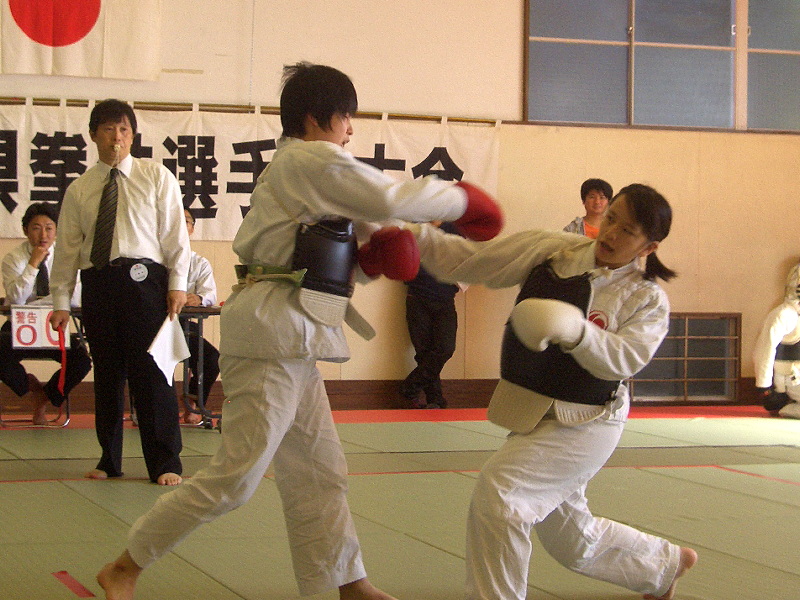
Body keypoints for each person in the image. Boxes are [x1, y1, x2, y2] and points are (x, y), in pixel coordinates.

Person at [93, 62, 503, 600]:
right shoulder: (308, 158)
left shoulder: (307, 175)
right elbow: (389, 199)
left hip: (294, 337)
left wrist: (369, 256)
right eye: (345, 118)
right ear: (314, 120)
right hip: (271, 337)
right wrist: (463, 200)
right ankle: (126, 565)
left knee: (320, 471)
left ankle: (347, 583)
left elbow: (342, 242)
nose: (350, 130)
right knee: (236, 478)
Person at [401, 184, 696, 600]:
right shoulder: (553, 250)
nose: (611, 233)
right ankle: (661, 565)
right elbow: (472, 262)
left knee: (501, 495)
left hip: (589, 422)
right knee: (571, 541)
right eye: (610, 218)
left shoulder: (647, 298)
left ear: (649, 246)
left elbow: (626, 360)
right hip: (533, 410)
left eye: (627, 231)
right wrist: (410, 236)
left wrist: (578, 332)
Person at [50, 99, 190, 487]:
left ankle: (165, 462)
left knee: (153, 374)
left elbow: (175, 236)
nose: (117, 137)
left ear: (133, 135)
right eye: (109, 129)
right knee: (108, 373)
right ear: (93, 135)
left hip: (146, 283)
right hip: (98, 283)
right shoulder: (80, 188)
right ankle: (109, 458)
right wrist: (62, 301)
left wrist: (178, 284)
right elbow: (66, 249)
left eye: (125, 130)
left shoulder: (155, 175)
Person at [0, 202, 91, 424]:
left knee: (81, 361)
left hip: (53, 327)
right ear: (25, 230)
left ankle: (44, 396)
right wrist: (32, 265)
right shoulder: (13, 259)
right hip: (19, 327)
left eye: (49, 228)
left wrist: (43, 302)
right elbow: (15, 300)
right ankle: (29, 386)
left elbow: (75, 298)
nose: (43, 234)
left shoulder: (67, 257)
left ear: (56, 231)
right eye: (36, 227)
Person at [400, 221, 462, 409]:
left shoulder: (454, 230)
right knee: (424, 353)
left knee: (445, 348)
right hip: (416, 297)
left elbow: (464, 260)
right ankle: (435, 400)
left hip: (445, 299)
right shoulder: (415, 227)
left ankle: (409, 388)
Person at [180, 208, 221, 425]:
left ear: (192, 229)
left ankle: (193, 403)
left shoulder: (199, 263)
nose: (179, 224)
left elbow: (210, 294)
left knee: (211, 359)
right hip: (153, 323)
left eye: (185, 221)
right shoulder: (154, 259)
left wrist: (197, 297)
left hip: (183, 324)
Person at [752, 261, 800, 418]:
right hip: (792, 378)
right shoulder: (784, 314)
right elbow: (764, 350)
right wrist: (765, 387)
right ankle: (786, 407)